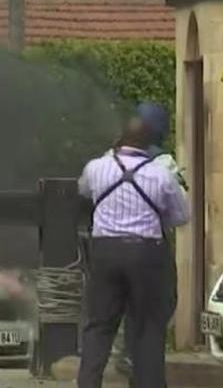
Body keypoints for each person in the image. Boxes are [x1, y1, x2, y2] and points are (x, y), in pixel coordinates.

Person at [77, 102, 190, 388]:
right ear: (150, 142)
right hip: (146, 254)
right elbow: (180, 216)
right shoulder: (161, 174)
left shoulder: (96, 168)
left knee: (98, 327)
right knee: (148, 329)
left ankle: (88, 384)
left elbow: (84, 192)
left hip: (104, 253)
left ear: (121, 138)